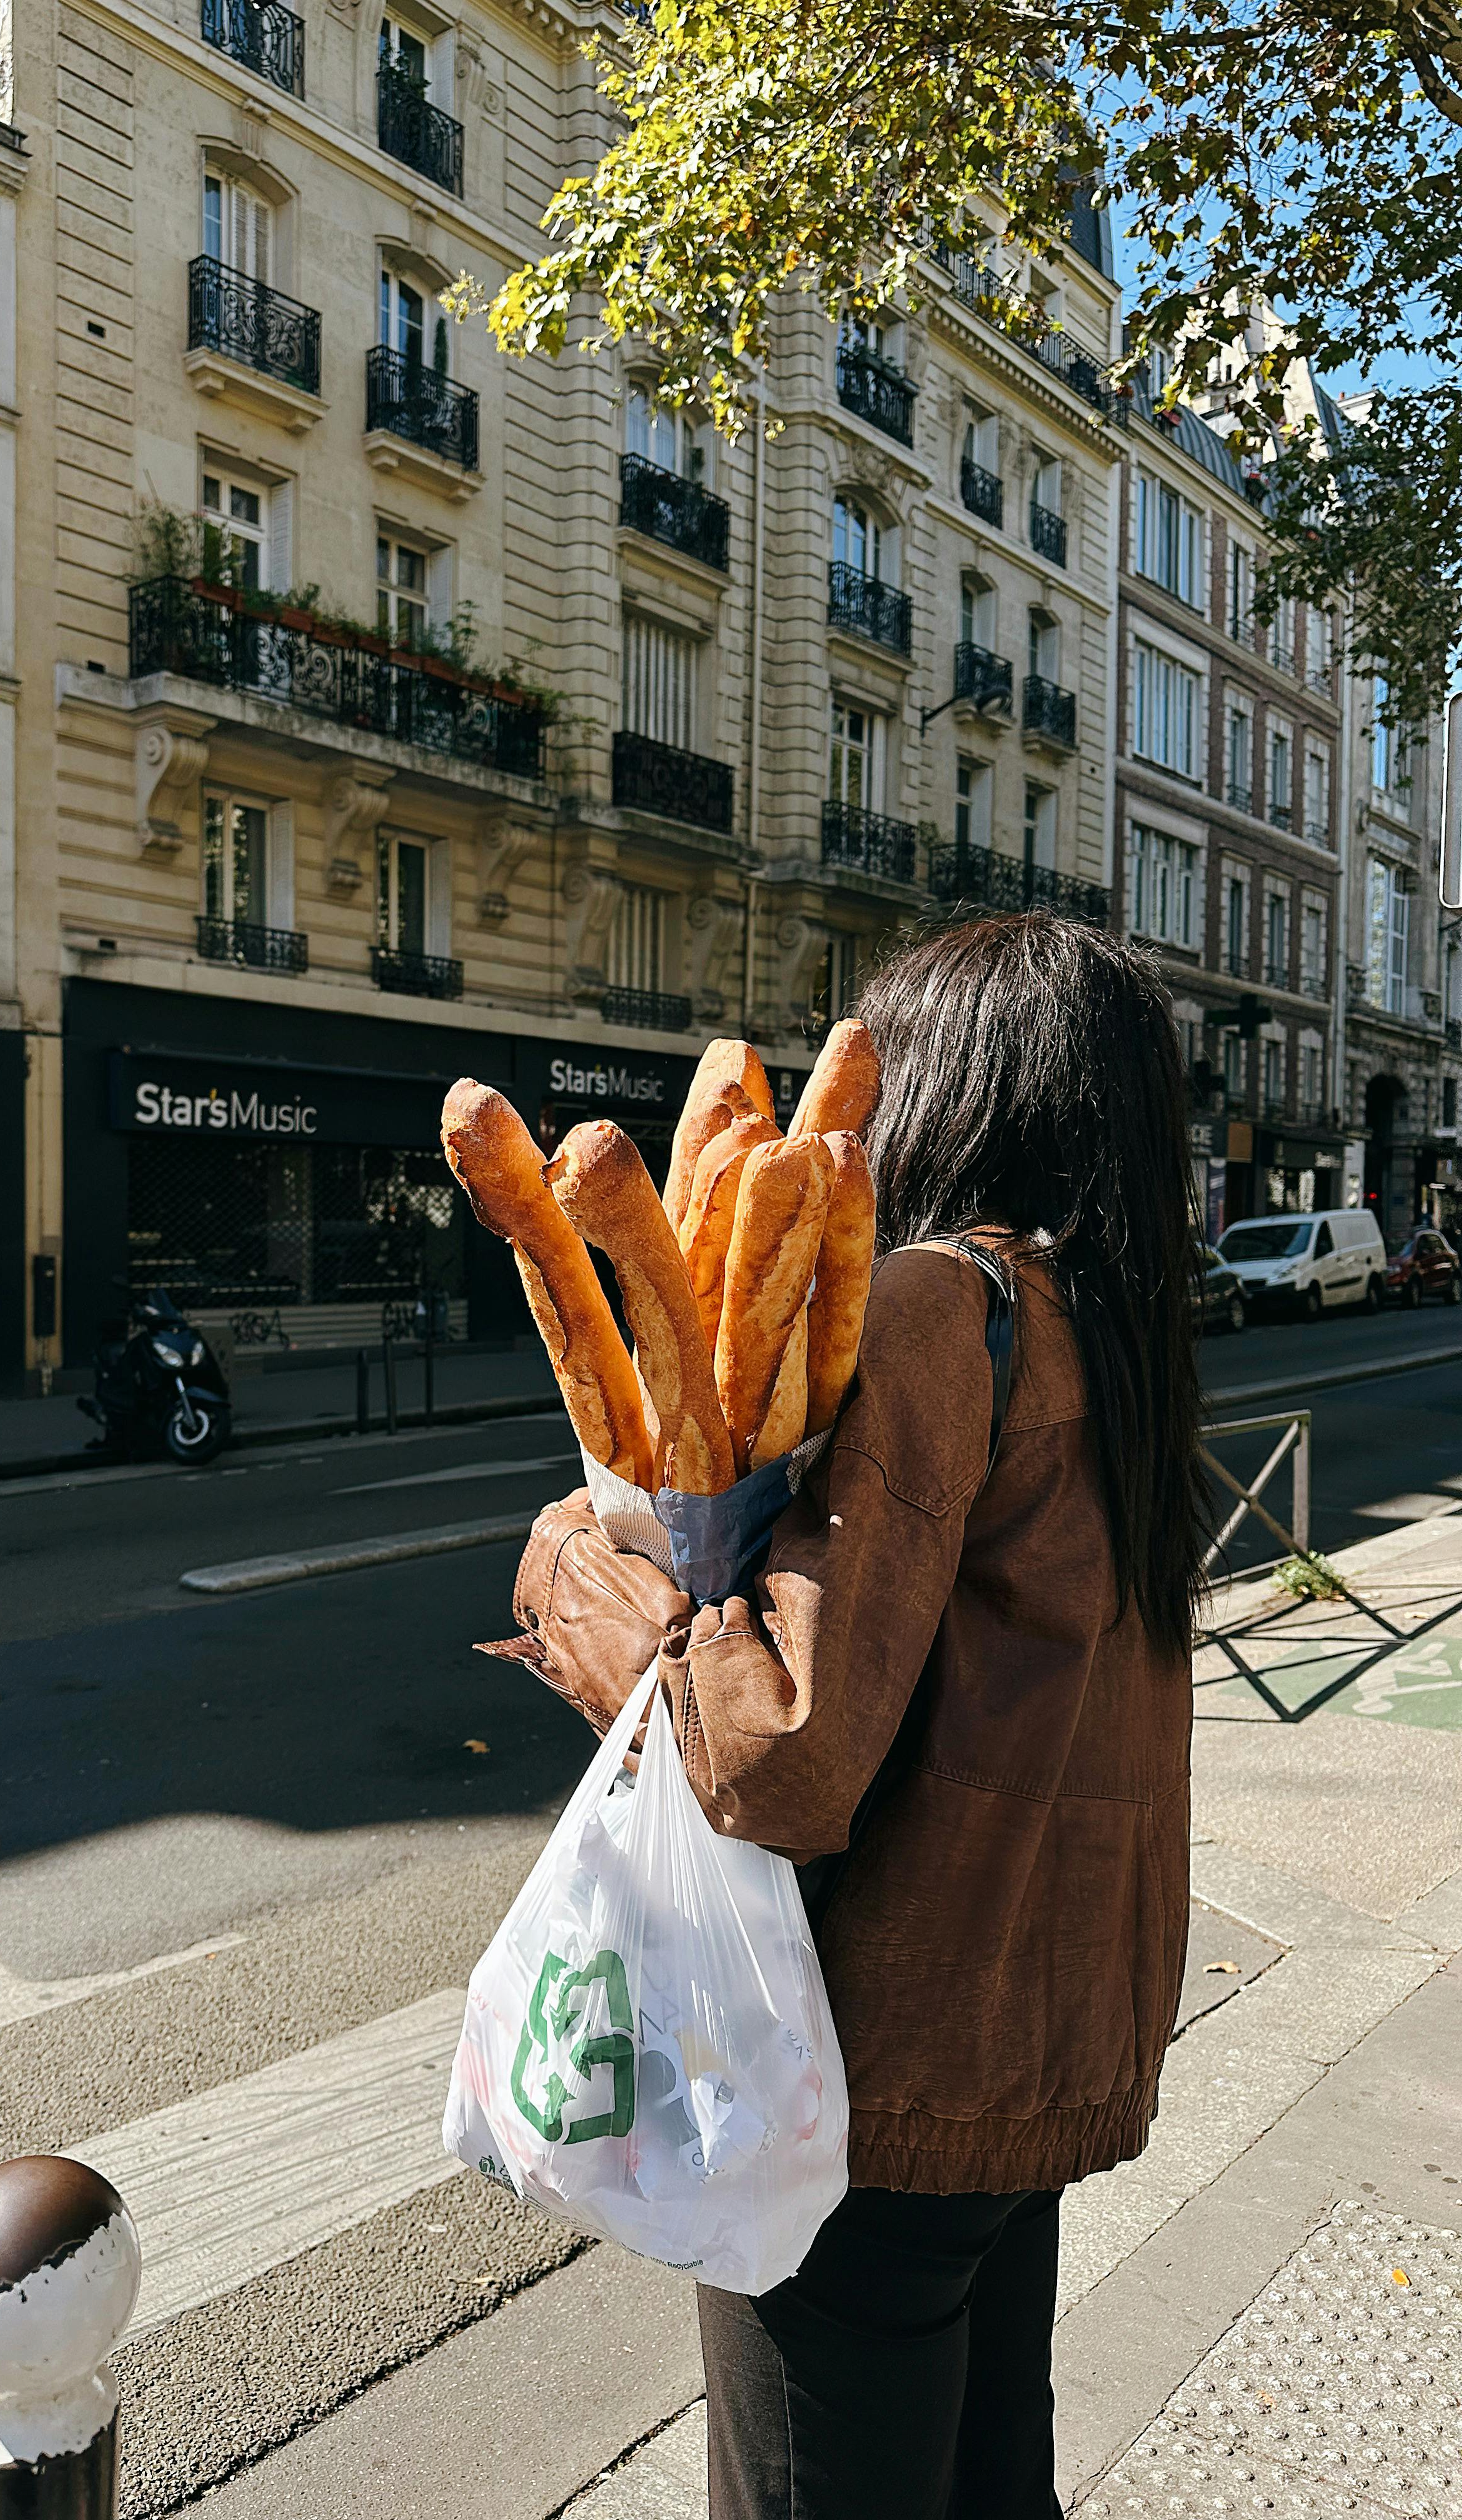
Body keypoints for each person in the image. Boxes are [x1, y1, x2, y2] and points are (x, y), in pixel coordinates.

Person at [495, 913, 1207, 2519]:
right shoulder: (1118, 1325)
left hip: (871, 2077)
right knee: (980, 2476)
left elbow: (778, 1757)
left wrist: (573, 1573)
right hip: (1046, 2041)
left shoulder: (938, 1305)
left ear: (954, 1090)